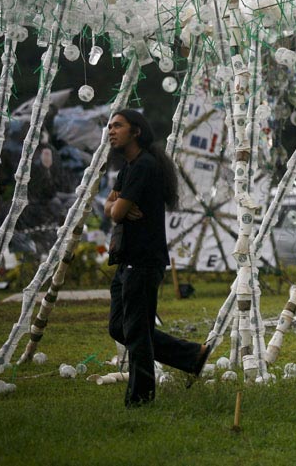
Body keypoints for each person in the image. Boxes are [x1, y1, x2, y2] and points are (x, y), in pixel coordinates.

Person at [104, 109, 211, 407]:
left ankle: (140, 400)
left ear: (136, 131)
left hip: (143, 260)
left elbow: (116, 211)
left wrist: (118, 207)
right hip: (126, 261)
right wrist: (117, 206)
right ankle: (192, 355)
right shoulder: (128, 168)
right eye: (109, 126)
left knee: (136, 333)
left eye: (118, 126)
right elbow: (109, 209)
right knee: (120, 327)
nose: (111, 131)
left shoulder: (144, 167)